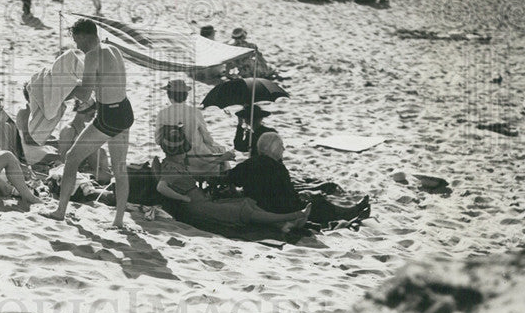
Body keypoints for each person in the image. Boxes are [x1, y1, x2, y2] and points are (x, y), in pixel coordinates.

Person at [45, 18, 134, 227]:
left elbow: (84, 94)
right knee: (120, 168)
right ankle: (119, 221)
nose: (77, 45)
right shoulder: (112, 49)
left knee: (72, 158)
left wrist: (62, 89)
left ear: (85, 36)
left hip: (109, 116)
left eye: (77, 40)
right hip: (124, 111)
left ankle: (60, 211)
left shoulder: (93, 55)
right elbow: (104, 82)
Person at [156, 130, 310, 234]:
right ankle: (293, 216)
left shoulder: (177, 165)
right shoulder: (170, 168)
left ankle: (283, 224)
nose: (185, 153)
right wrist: (183, 198)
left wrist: (221, 159)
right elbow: (161, 187)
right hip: (198, 206)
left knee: (247, 203)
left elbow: (202, 172)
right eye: (183, 151)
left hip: (202, 202)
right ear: (176, 153)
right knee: (242, 210)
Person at [229, 132, 369, 226]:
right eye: (281, 146)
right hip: (278, 210)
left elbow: (230, 178)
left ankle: (346, 211)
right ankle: (348, 213)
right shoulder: (278, 169)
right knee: (319, 203)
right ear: (275, 149)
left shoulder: (247, 164)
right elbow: (290, 199)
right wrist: (306, 197)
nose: (283, 149)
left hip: (258, 207)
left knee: (313, 197)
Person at [155, 79, 233, 178]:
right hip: (199, 159)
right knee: (222, 150)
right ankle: (224, 182)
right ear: (186, 96)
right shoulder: (195, 112)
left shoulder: (162, 114)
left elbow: (158, 140)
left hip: (175, 159)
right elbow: (207, 138)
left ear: (169, 95)